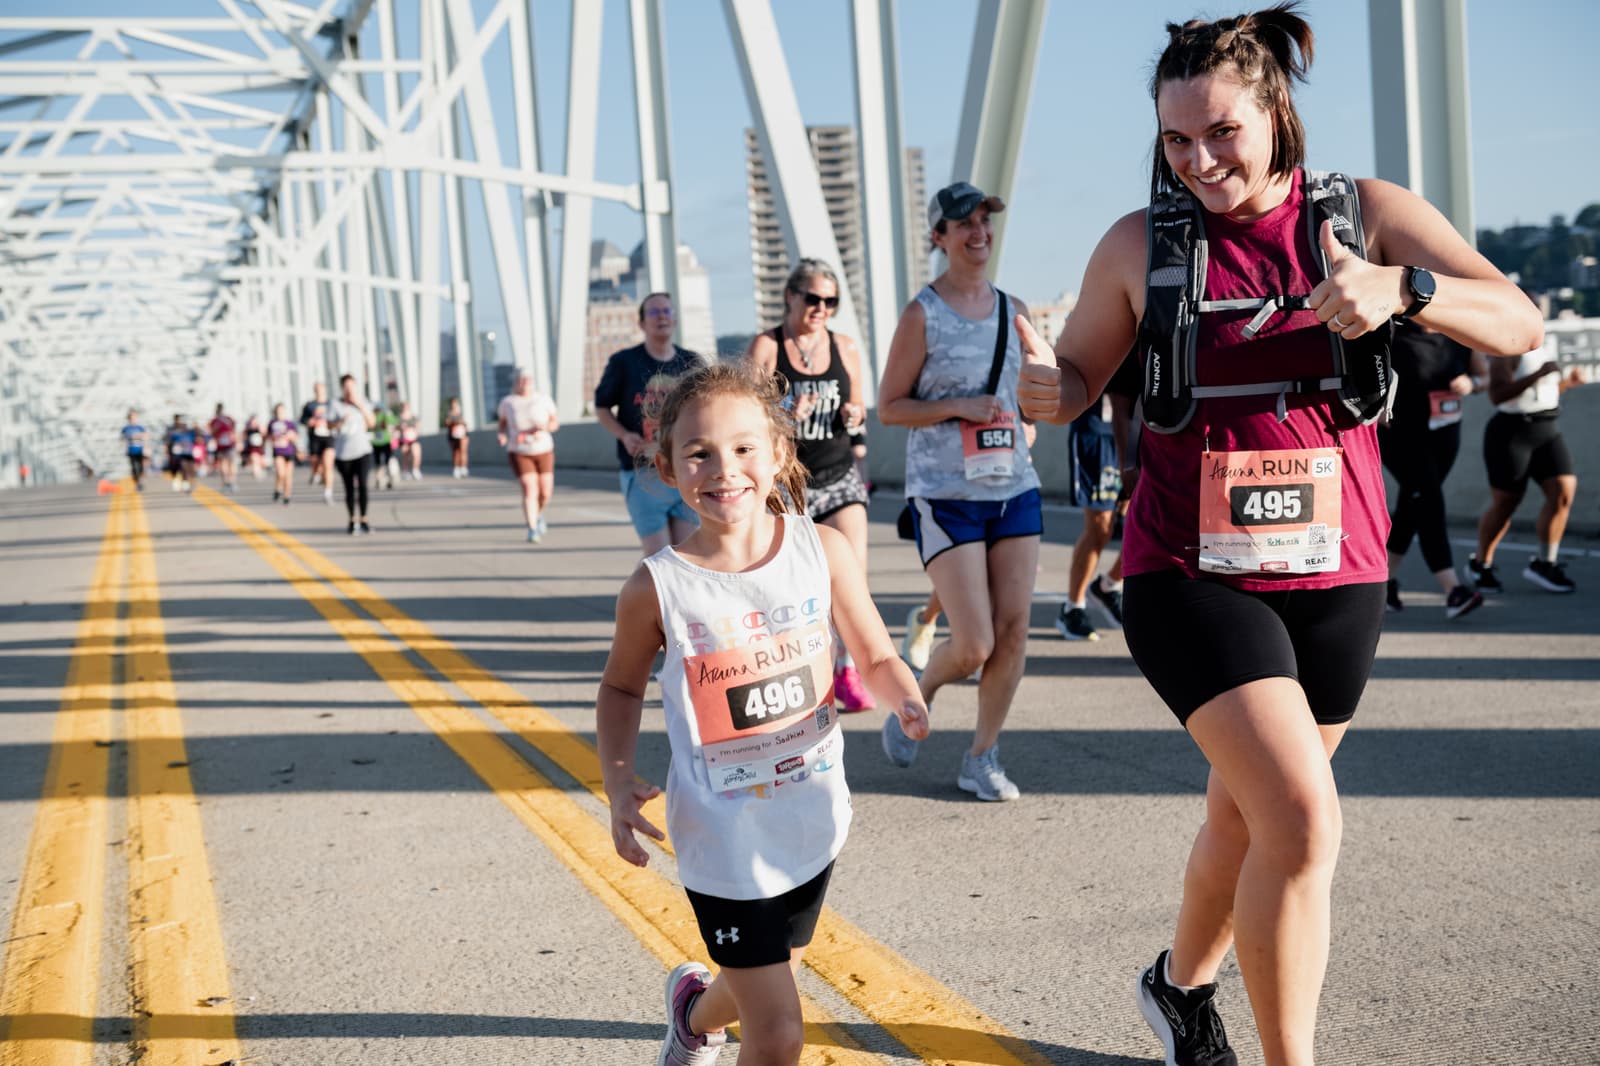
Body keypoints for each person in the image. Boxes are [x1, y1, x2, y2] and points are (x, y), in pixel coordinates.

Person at [1015, 8, 1541, 1065]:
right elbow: (1073, 381)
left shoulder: (1365, 213)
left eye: (1219, 132)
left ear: (1274, 114)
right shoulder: (1140, 244)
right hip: (1186, 568)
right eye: (1174, 139)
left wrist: (1404, 289)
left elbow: (1519, 320)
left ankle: (1177, 986)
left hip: (1337, 570)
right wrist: (1045, 389)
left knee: (1244, 821)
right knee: (1300, 820)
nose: (1197, 160)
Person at [595, 362, 928, 1066]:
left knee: (765, 982)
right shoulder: (657, 588)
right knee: (777, 1034)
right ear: (666, 466)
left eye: (745, 448)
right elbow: (621, 689)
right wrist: (618, 783)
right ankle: (708, 1019)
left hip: (810, 817)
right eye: (700, 453)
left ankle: (692, 1016)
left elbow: (871, 652)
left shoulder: (822, 549)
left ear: (780, 454)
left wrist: (903, 692)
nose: (725, 469)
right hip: (721, 836)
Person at [876, 181, 1043, 803]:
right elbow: (890, 407)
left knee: (1016, 629)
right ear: (939, 238)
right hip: (946, 493)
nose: (978, 233)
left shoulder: (1015, 308)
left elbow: (1028, 393)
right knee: (973, 643)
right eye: (963, 225)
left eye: (984, 221)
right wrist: (958, 407)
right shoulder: (923, 313)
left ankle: (982, 756)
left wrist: (1025, 415)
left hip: (1014, 486)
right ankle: (919, 693)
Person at [744, 259, 876, 711]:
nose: (822, 308)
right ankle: (795, 668)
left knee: (851, 574)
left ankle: (846, 670)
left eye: (831, 301)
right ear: (791, 296)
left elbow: (857, 401)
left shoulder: (845, 346)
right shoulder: (766, 347)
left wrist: (854, 416)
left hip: (838, 473)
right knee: (792, 585)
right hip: (787, 483)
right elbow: (746, 416)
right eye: (814, 299)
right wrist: (784, 415)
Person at [1379, 319, 1483, 617]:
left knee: (1415, 504)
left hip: (1445, 432)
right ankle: (1453, 590)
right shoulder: (1394, 334)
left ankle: (1384, 583)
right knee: (1429, 499)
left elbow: (1483, 377)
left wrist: (1471, 383)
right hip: (1400, 433)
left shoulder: (1459, 333)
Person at [593, 291, 706, 555]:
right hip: (642, 471)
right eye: (654, 312)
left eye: (667, 311)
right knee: (658, 556)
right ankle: (639, 596)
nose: (662, 317)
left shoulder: (692, 362)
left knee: (686, 555)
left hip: (684, 470)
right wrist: (623, 435)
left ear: (675, 319)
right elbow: (601, 407)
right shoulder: (623, 362)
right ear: (642, 323)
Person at [1469, 333, 1578, 594]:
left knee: (1563, 492)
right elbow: (1497, 396)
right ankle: (1481, 563)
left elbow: (1542, 392)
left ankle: (1545, 562)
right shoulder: (1507, 349)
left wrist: (1567, 384)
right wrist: (1537, 375)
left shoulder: (1548, 345)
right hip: (1512, 433)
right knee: (1506, 503)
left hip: (1547, 428)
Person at [1057, 368, 1137, 641]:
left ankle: (1108, 584)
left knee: (1144, 523)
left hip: (1135, 425)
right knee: (1100, 528)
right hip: (1097, 431)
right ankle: (1072, 607)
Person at [496, 371, 559, 543]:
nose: (524, 383)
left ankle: (538, 515)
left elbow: (555, 423)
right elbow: (502, 425)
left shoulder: (543, 399)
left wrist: (545, 427)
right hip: (519, 450)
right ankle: (532, 528)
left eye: (528, 380)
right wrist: (501, 435)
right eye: (521, 380)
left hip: (543, 448)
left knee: (545, 492)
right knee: (529, 488)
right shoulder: (508, 402)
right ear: (515, 383)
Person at [328, 375, 376, 535]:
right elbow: (329, 425)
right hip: (343, 454)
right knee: (349, 488)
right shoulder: (335, 404)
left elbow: (372, 423)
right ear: (342, 388)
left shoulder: (363, 402)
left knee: (363, 485)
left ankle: (364, 519)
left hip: (362, 451)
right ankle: (352, 520)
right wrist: (340, 420)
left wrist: (360, 406)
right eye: (346, 387)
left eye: (352, 387)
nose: (349, 390)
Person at [301, 381, 335, 502]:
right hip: (314, 438)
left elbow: (337, 418)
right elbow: (303, 420)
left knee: (328, 464)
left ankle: (328, 492)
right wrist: (310, 421)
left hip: (328, 437)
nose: (319, 391)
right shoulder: (310, 405)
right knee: (315, 462)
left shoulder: (331, 404)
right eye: (317, 389)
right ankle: (316, 473)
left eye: (321, 389)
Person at [268, 403, 300, 505]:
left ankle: (287, 496)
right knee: (281, 473)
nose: (280, 414)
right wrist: (274, 437)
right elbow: (268, 437)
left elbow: (296, 437)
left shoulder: (290, 423)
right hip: (278, 451)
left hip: (289, 451)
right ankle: (278, 488)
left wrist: (290, 436)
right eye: (278, 412)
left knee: (288, 476)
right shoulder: (272, 423)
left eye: (281, 411)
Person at [209, 403, 239, 493]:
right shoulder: (215, 421)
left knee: (230, 463)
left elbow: (233, 430)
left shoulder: (226, 419)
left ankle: (231, 482)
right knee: (224, 464)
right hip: (221, 445)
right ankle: (226, 483)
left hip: (229, 444)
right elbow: (212, 432)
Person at [371, 405, 399, 490]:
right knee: (382, 462)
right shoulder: (375, 416)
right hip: (377, 442)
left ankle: (384, 479)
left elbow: (395, 423)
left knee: (383, 462)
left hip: (384, 442)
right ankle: (381, 479)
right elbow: (396, 423)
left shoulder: (382, 416)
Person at [121, 409, 148, 492]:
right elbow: (123, 438)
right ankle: (137, 482)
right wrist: (124, 448)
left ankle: (141, 481)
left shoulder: (140, 427)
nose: (132, 419)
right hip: (131, 450)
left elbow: (145, 436)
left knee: (141, 467)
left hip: (140, 449)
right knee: (133, 468)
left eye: (134, 417)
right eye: (131, 417)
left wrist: (146, 447)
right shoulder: (126, 428)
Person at [445, 396, 471, 478]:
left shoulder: (462, 412)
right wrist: (454, 423)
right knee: (456, 452)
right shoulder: (449, 413)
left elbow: (465, 423)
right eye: (452, 403)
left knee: (463, 450)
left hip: (462, 433)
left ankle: (464, 468)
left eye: (455, 403)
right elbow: (447, 423)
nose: (454, 405)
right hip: (453, 434)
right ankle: (456, 468)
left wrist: (461, 423)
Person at [398, 400, 423, 479]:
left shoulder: (413, 417)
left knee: (416, 454)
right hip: (404, 440)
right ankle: (406, 471)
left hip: (413, 439)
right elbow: (395, 427)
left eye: (407, 406)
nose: (405, 408)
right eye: (404, 406)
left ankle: (416, 470)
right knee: (405, 456)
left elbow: (418, 426)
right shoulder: (399, 417)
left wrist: (416, 430)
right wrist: (401, 428)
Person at [243, 414, 267, 480]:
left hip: (259, 447)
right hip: (252, 447)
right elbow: (244, 436)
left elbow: (264, 435)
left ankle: (258, 471)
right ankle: (256, 472)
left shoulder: (259, 428)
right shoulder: (248, 429)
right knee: (254, 459)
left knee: (261, 461)